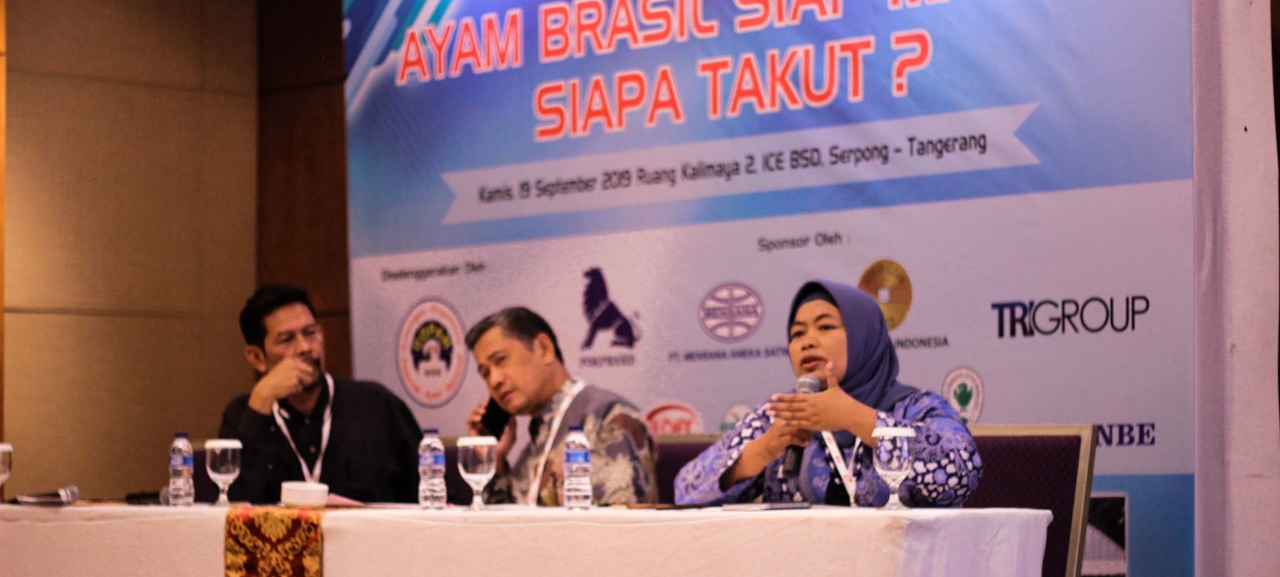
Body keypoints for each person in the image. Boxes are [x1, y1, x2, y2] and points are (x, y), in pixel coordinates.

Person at [675, 280, 981, 507]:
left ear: (864, 337)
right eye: (797, 333)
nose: (808, 342)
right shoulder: (783, 415)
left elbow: (961, 472)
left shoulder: (915, 409)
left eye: (825, 327)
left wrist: (853, 416)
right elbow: (685, 491)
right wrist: (760, 452)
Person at [219, 284, 421, 504]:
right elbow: (233, 504)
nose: (305, 347)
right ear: (257, 357)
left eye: (310, 333)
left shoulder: (376, 405)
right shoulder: (243, 415)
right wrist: (262, 399)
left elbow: (430, 495)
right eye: (287, 339)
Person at [464, 307, 658, 506]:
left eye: (501, 360)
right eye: (485, 373)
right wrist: (495, 459)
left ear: (544, 348)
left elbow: (622, 521)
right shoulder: (534, 443)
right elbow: (507, 524)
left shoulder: (611, 418)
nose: (494, 380)